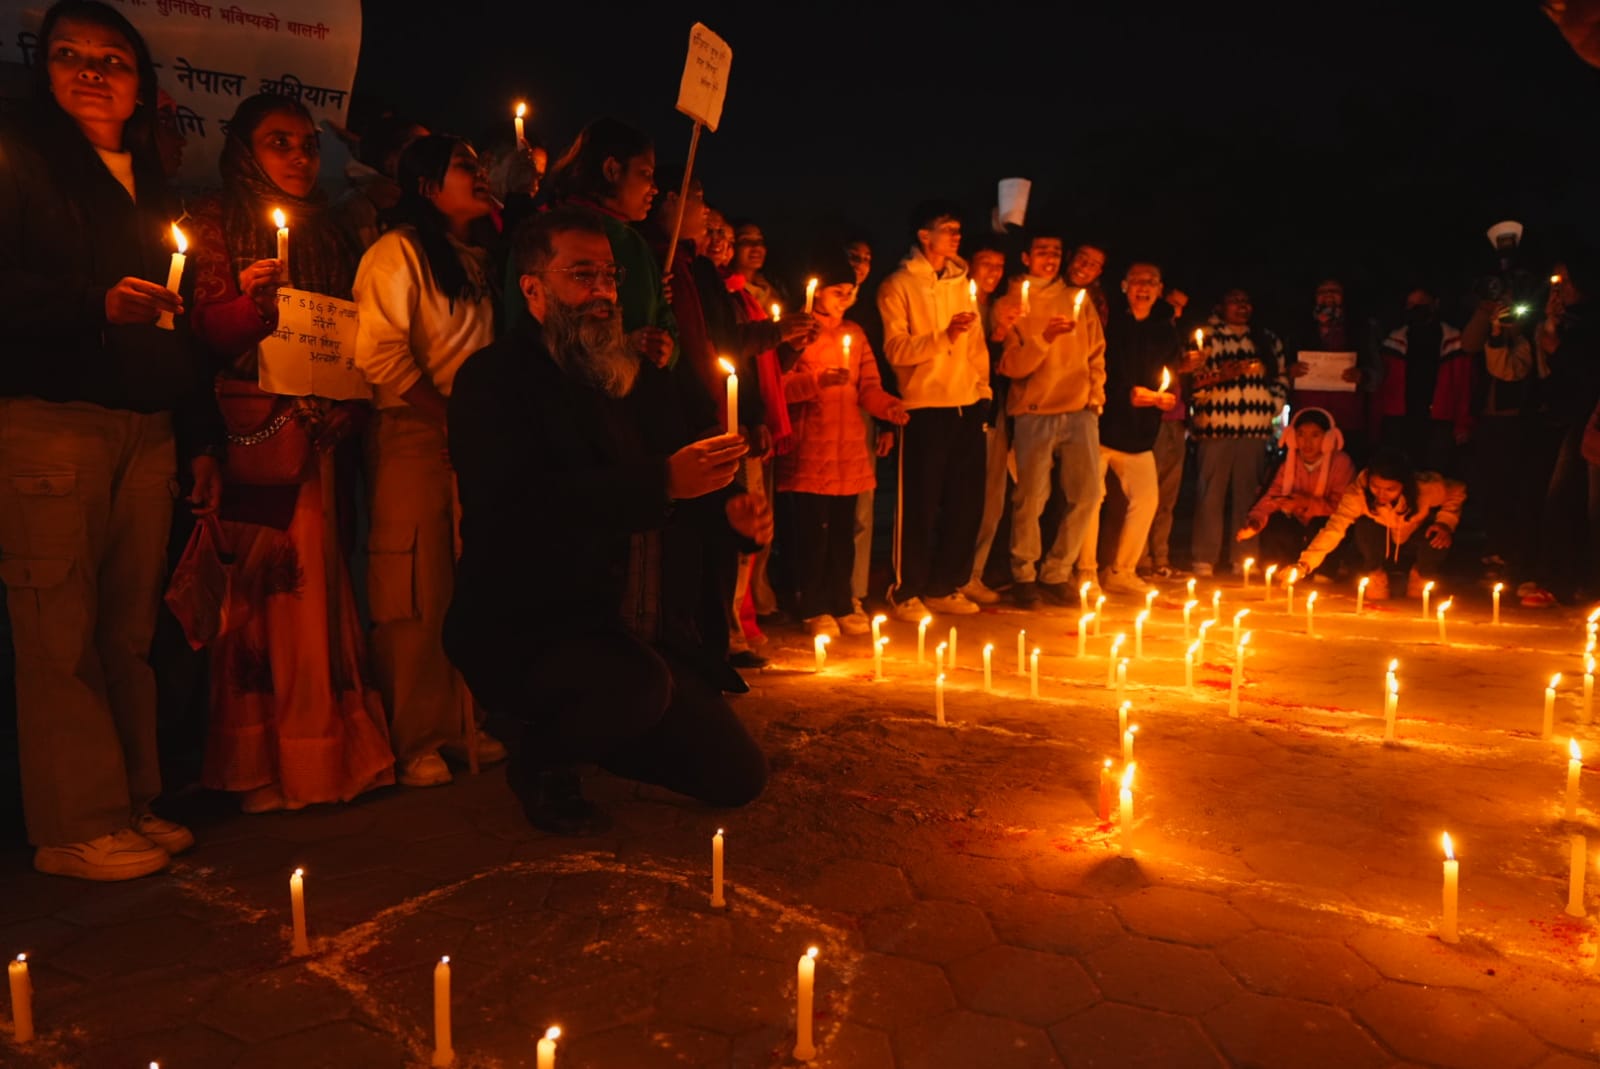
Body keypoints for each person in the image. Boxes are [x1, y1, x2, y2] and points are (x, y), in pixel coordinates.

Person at [444, 206, 768, 834]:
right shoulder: (493, 381)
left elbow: (681, 487)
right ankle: (541, 757)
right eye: (582, 275)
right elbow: (519, 506)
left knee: (736, 777)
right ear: (532, 289)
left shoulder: (631, 375)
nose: (602, 292)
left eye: (610, 277)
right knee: (636, 688)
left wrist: (731, 513)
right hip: (535, 628)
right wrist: (663, 480)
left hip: (637, 632)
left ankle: (604, 725)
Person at [0, 0, 222, 879]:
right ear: (42, 71)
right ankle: (73, 822)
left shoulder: (151, 182)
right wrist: (94, 304)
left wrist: (197, 434)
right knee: (59, 626)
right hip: (52, 420)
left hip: (146, 423)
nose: (92, 72)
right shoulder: (17, 165)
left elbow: (182, 327)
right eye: (71, 56)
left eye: (113, 60)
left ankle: (131, 797)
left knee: (126, 629)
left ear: (141, 84)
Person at [189, 93, 394, 812]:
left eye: (308, 143)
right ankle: (260, 764)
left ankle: (320, 753)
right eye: (280, 142)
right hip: (253, 441)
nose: (301, 157)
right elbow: (198, 334)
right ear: (246, 152)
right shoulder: (213, 222)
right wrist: (249, 305)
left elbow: (355, 337)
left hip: (321, 440)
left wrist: (345, 404)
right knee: (264, 595)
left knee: (319, 591)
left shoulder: (333, 235)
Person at [352, 135, 502, 787]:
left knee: (472, 580)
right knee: (414, 586)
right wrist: (447, 418)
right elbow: (380, 354)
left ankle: (469, 720)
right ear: (424, 187)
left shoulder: (478, 261)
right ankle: (417, 735)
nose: (480, 174)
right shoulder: (396, 254)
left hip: (470, 438)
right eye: (465, 166)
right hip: (414, 433)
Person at [776, 255, 908, 636]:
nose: (845, 299)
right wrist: (818, 381)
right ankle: (812, 605)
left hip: (848, 449)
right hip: (810, 448)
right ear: (816, 291)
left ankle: (841, 600)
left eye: (850, 293)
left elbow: (868, 386)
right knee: (811, 535)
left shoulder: (855, 332)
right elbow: (780, 387)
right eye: (838, 292)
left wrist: (889, 408)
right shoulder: (797, 333)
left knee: (842, 533)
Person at [877, 200, 992, 619]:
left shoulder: (963, 283)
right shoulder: (898, 285)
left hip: (966, 403)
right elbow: (896, 348)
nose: (956, 236)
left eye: (959, 229)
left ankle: (947, 584)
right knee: (920, 504)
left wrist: (983, 392)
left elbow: (976, 344)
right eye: (947, 229)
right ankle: (905, 589)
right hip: (923, 405)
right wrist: (943, 336)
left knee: (965, 502)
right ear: (924, 236)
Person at [997, 229, 1106, 607]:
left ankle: (1057, 571)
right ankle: (1023, 572)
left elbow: (1096, 351)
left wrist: (1095, 397)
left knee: (1089, 494)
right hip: (1034, 412)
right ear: (1026, 258)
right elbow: (1011, 365)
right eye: (1042, 251)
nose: (1050, 258)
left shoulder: (1077, 298)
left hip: (1080, 412)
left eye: (1057, 252)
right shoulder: (1011, 301)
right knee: (1031, 496)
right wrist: (1043, 338)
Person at [517, 117, 676, 373]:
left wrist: (667, 348)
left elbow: (665, 320)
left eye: (612, 275)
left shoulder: (637, 244)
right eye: (645, 173)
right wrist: (623, 348)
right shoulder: (545, 234)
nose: (654, 188)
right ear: (612, 170)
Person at [1080, 262, 1181, 595]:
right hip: (1102, 425)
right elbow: (1097, 363)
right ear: (1124, 286)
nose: (1144, 287)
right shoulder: (1111, 322)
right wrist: (1125, 394)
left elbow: (1168, 370)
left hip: (1140, 433)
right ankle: (1086, 571)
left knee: (1147, 499)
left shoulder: (1165, 328)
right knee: (1091, 499)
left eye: (1151, 281)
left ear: (1160, 288)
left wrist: (1165, 397)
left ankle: (1122, 570)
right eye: (1137, 280)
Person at [1188, 288, 1290, 577]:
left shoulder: (1267, 340)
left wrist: (1272, 405)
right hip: (1216, 427)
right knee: (1211, 494)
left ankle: (1243, 557)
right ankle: (1204, 557)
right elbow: (1193, 380)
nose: (1242, 306)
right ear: (1221, 305)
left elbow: (1281, 376)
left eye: (1246, 301)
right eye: (1235, 301)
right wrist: (1224, 375)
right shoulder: (1206, 336)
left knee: (1248, 495)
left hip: (1255, 430)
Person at [1295, 448, 1465, 600]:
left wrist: (1445, 523)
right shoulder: (1357, 494)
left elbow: (1457, 490)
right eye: (1375, 487)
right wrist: (1304, 565)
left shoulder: (1427, 489)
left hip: (1415, 536)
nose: (1381, 494)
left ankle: (1422, 573)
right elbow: (1334, 529)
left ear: (1404, 486)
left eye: (1390, 489)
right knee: (1364, 525)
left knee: (1438, 536)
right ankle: (1375, 573)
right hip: (1381, 542)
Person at [1526, 261, 1600, 605]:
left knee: (1582, 503)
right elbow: (1551, 376)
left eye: (1566, 281)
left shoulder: (1591, 321)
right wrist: (1552, 325)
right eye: (1555, 282)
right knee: (1563, 498)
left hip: (1593, 418)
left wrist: (1557, 344)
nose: (1559, 289)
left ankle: (1573, 582)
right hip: (1569, 419)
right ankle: (1562, 579)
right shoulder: (1567, 321)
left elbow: (1581, 367)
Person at [961, 242, 1022, 604]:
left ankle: (975, 572)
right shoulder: (961, 305)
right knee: (970, 498)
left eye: (1000, 265)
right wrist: (995, 338)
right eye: (986, 264)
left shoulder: (1001, 308)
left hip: (998, 412)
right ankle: (957, 573)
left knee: (994, 500)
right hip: (969, 412)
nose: (994, 272)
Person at [1237, 408, 1356, 568]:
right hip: (1296, 522)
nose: (1307, 442)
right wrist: (1255, 522)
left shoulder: (1341, 464)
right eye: (1301, 434)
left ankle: (1324, 571)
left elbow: (1343, 509)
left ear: (1328, 438)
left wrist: (1305, 503)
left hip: (1323, 522)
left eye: (1315, 435)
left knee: (1322, 525)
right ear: (1292, 437)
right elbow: (1272, 496)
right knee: (1278, 523)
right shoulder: (1288, 462)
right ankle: (1284, 568)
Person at [1374, 287, 1471, 474]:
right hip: (1401, 419)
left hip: (1439, 419)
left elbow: (1463, 385)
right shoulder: (1395, 340)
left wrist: (1463, 423)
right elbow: (1384, 387)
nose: (1416, 308)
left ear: (1435, 303)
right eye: (1411, 304)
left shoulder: (1453, 341)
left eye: (1422, 303)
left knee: (1434, 476)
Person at [1289, 279, 1380, 465]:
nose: (1328, 295)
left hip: (1348, 419)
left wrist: (1362, 376)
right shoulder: (1298, 328)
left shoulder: (1361, 328)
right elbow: (1281, 371)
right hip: (1308, 417)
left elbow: (1377, 372)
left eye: (1335, 290)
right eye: (1323, 291)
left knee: (1345, 472)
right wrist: (1289, 371)